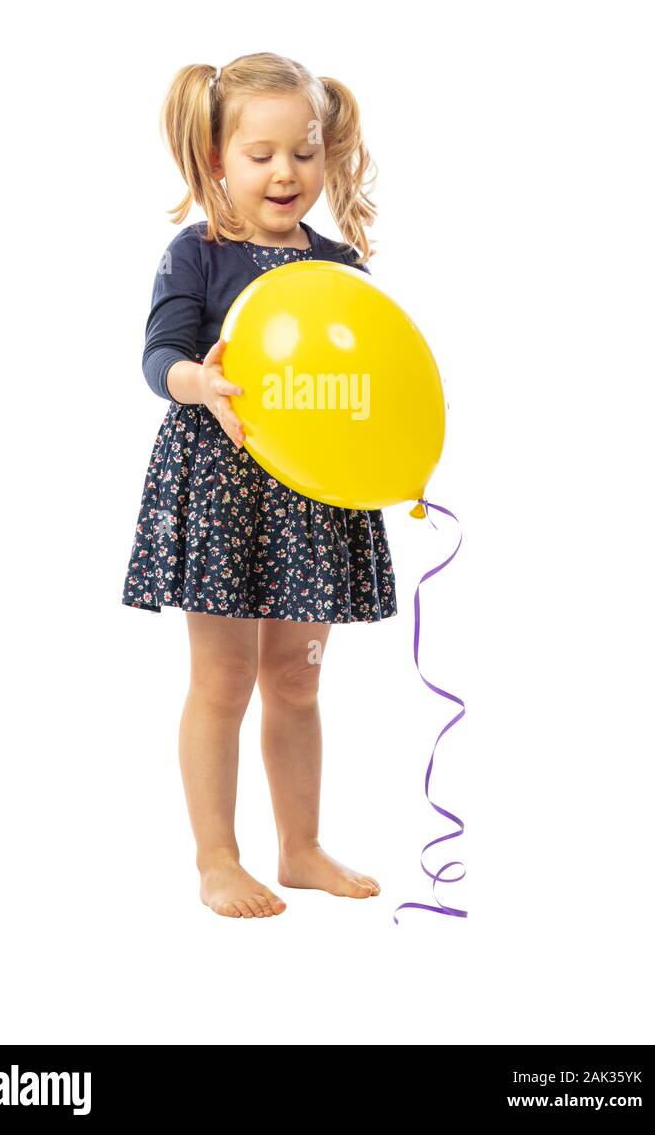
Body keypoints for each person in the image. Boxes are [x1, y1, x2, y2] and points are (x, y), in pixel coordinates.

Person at [122, 51, 397, 918]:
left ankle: (301, 846)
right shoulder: (197, 254)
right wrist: (195, 383)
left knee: (297, 678)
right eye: (261, 153)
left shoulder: (338, 264)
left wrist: (393, 447)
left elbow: (367, 373)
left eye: (306, 152)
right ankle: (216, 858)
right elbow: (159, 355)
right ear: (217, 162)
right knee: (222, 680)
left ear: (328, 154)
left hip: (312, 497)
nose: (287, 172)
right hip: (224, 490)